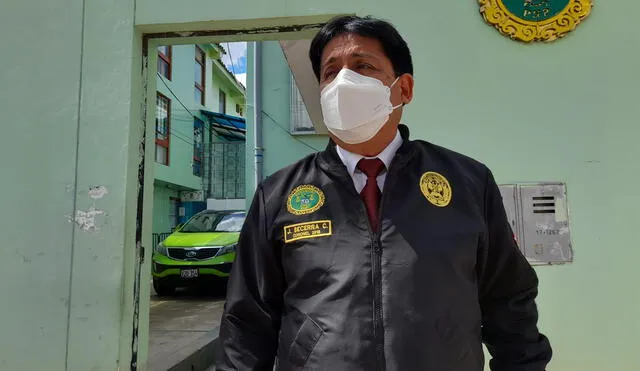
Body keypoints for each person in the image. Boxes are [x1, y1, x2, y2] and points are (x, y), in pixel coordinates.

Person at [217, 15, 552, 371]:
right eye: (331, 72)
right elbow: (246, 322)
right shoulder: (279, 193)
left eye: (363, 66)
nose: (344, 81)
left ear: (403, 89)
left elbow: (509, 302)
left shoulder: (467, 182)